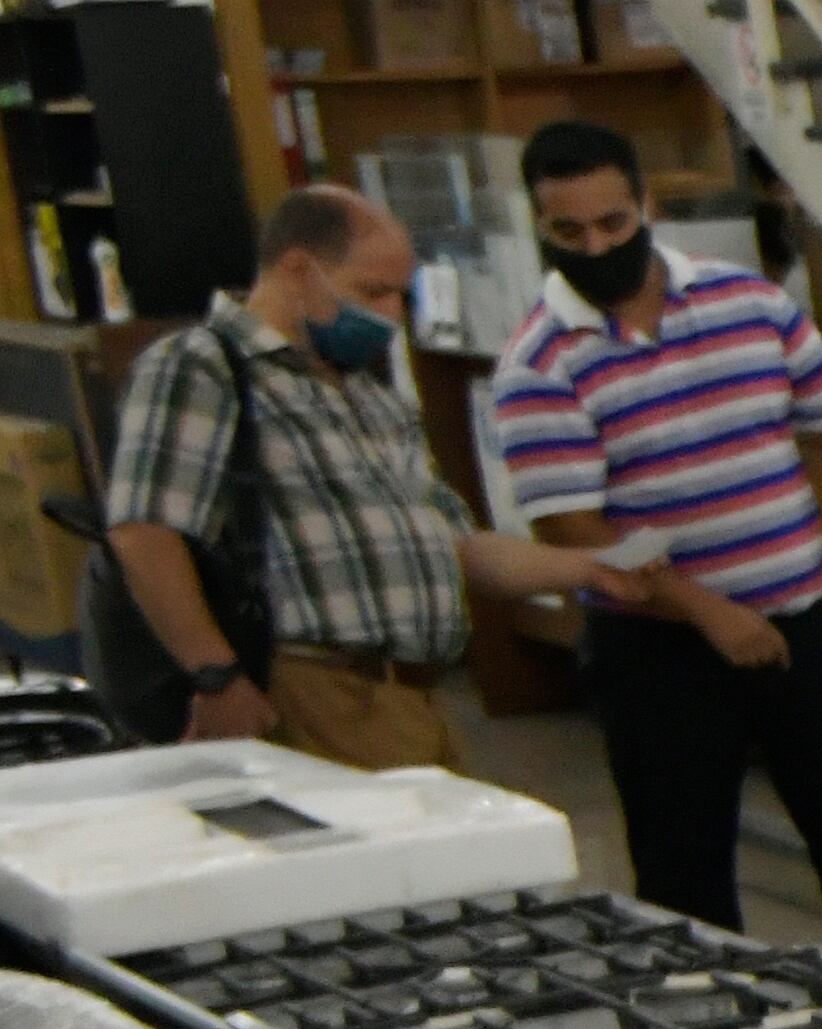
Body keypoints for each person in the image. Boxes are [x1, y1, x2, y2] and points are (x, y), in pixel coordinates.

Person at [489, 119, 822, 974]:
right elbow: (575, 531)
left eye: (613, 224)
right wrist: (706, 612)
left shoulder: (752, 304)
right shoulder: (539, 363)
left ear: (646, 205)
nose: (596, 245)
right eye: (569, 232)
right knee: (686, 885)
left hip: (804, 625)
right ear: (540, 227)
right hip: (658, 652)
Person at [99, 186, 629, 767]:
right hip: (311, 682)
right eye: (371, 292)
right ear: (299, 269)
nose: (389, 316)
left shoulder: (369, 398)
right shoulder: (203, 366)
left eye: (399, 295)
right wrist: (216, 675)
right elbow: (145, 530)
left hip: (405, 694)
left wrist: (592, 567)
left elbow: (459, 546)